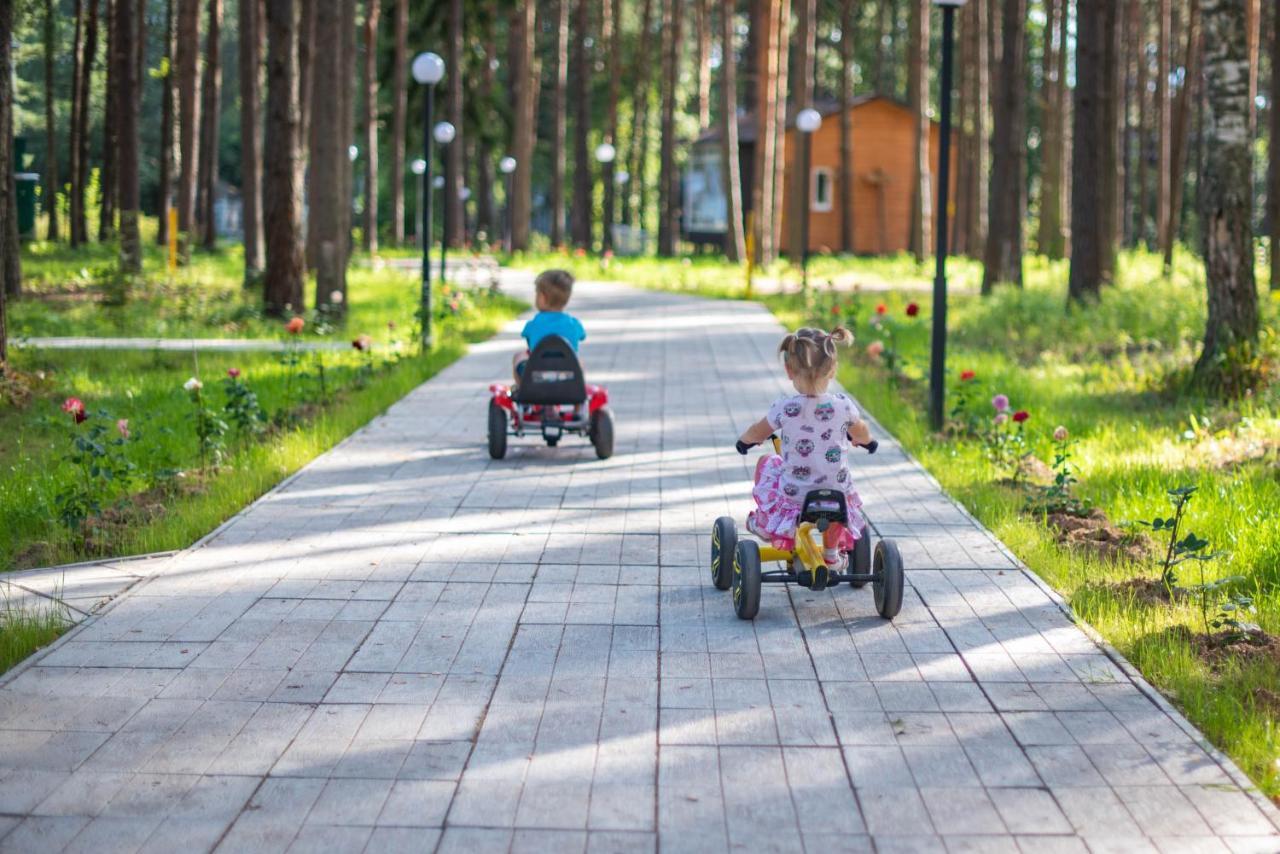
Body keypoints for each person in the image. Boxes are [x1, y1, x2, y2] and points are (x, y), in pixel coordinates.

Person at [735, 326, 873, 565]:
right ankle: (831, 553)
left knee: (767, 462)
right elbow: (861, 429)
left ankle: (764, 522)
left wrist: (745, 440)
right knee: (836, 497)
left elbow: (758, 430)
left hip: (795, 496)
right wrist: (866, 441)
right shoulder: (843, 406)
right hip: (836, 495)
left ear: (789, 370)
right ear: (832, 370)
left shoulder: (784, 408)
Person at [514, 269, 586, 381]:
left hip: (537, 374)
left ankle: (522, 390)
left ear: (542, 297)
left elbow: (526, 335)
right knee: (579, 361)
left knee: (519, 356)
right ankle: (576, 388)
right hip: (566, 374)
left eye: (536, 293)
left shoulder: (533, 324)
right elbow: (582, 336)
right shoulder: (574, 324)